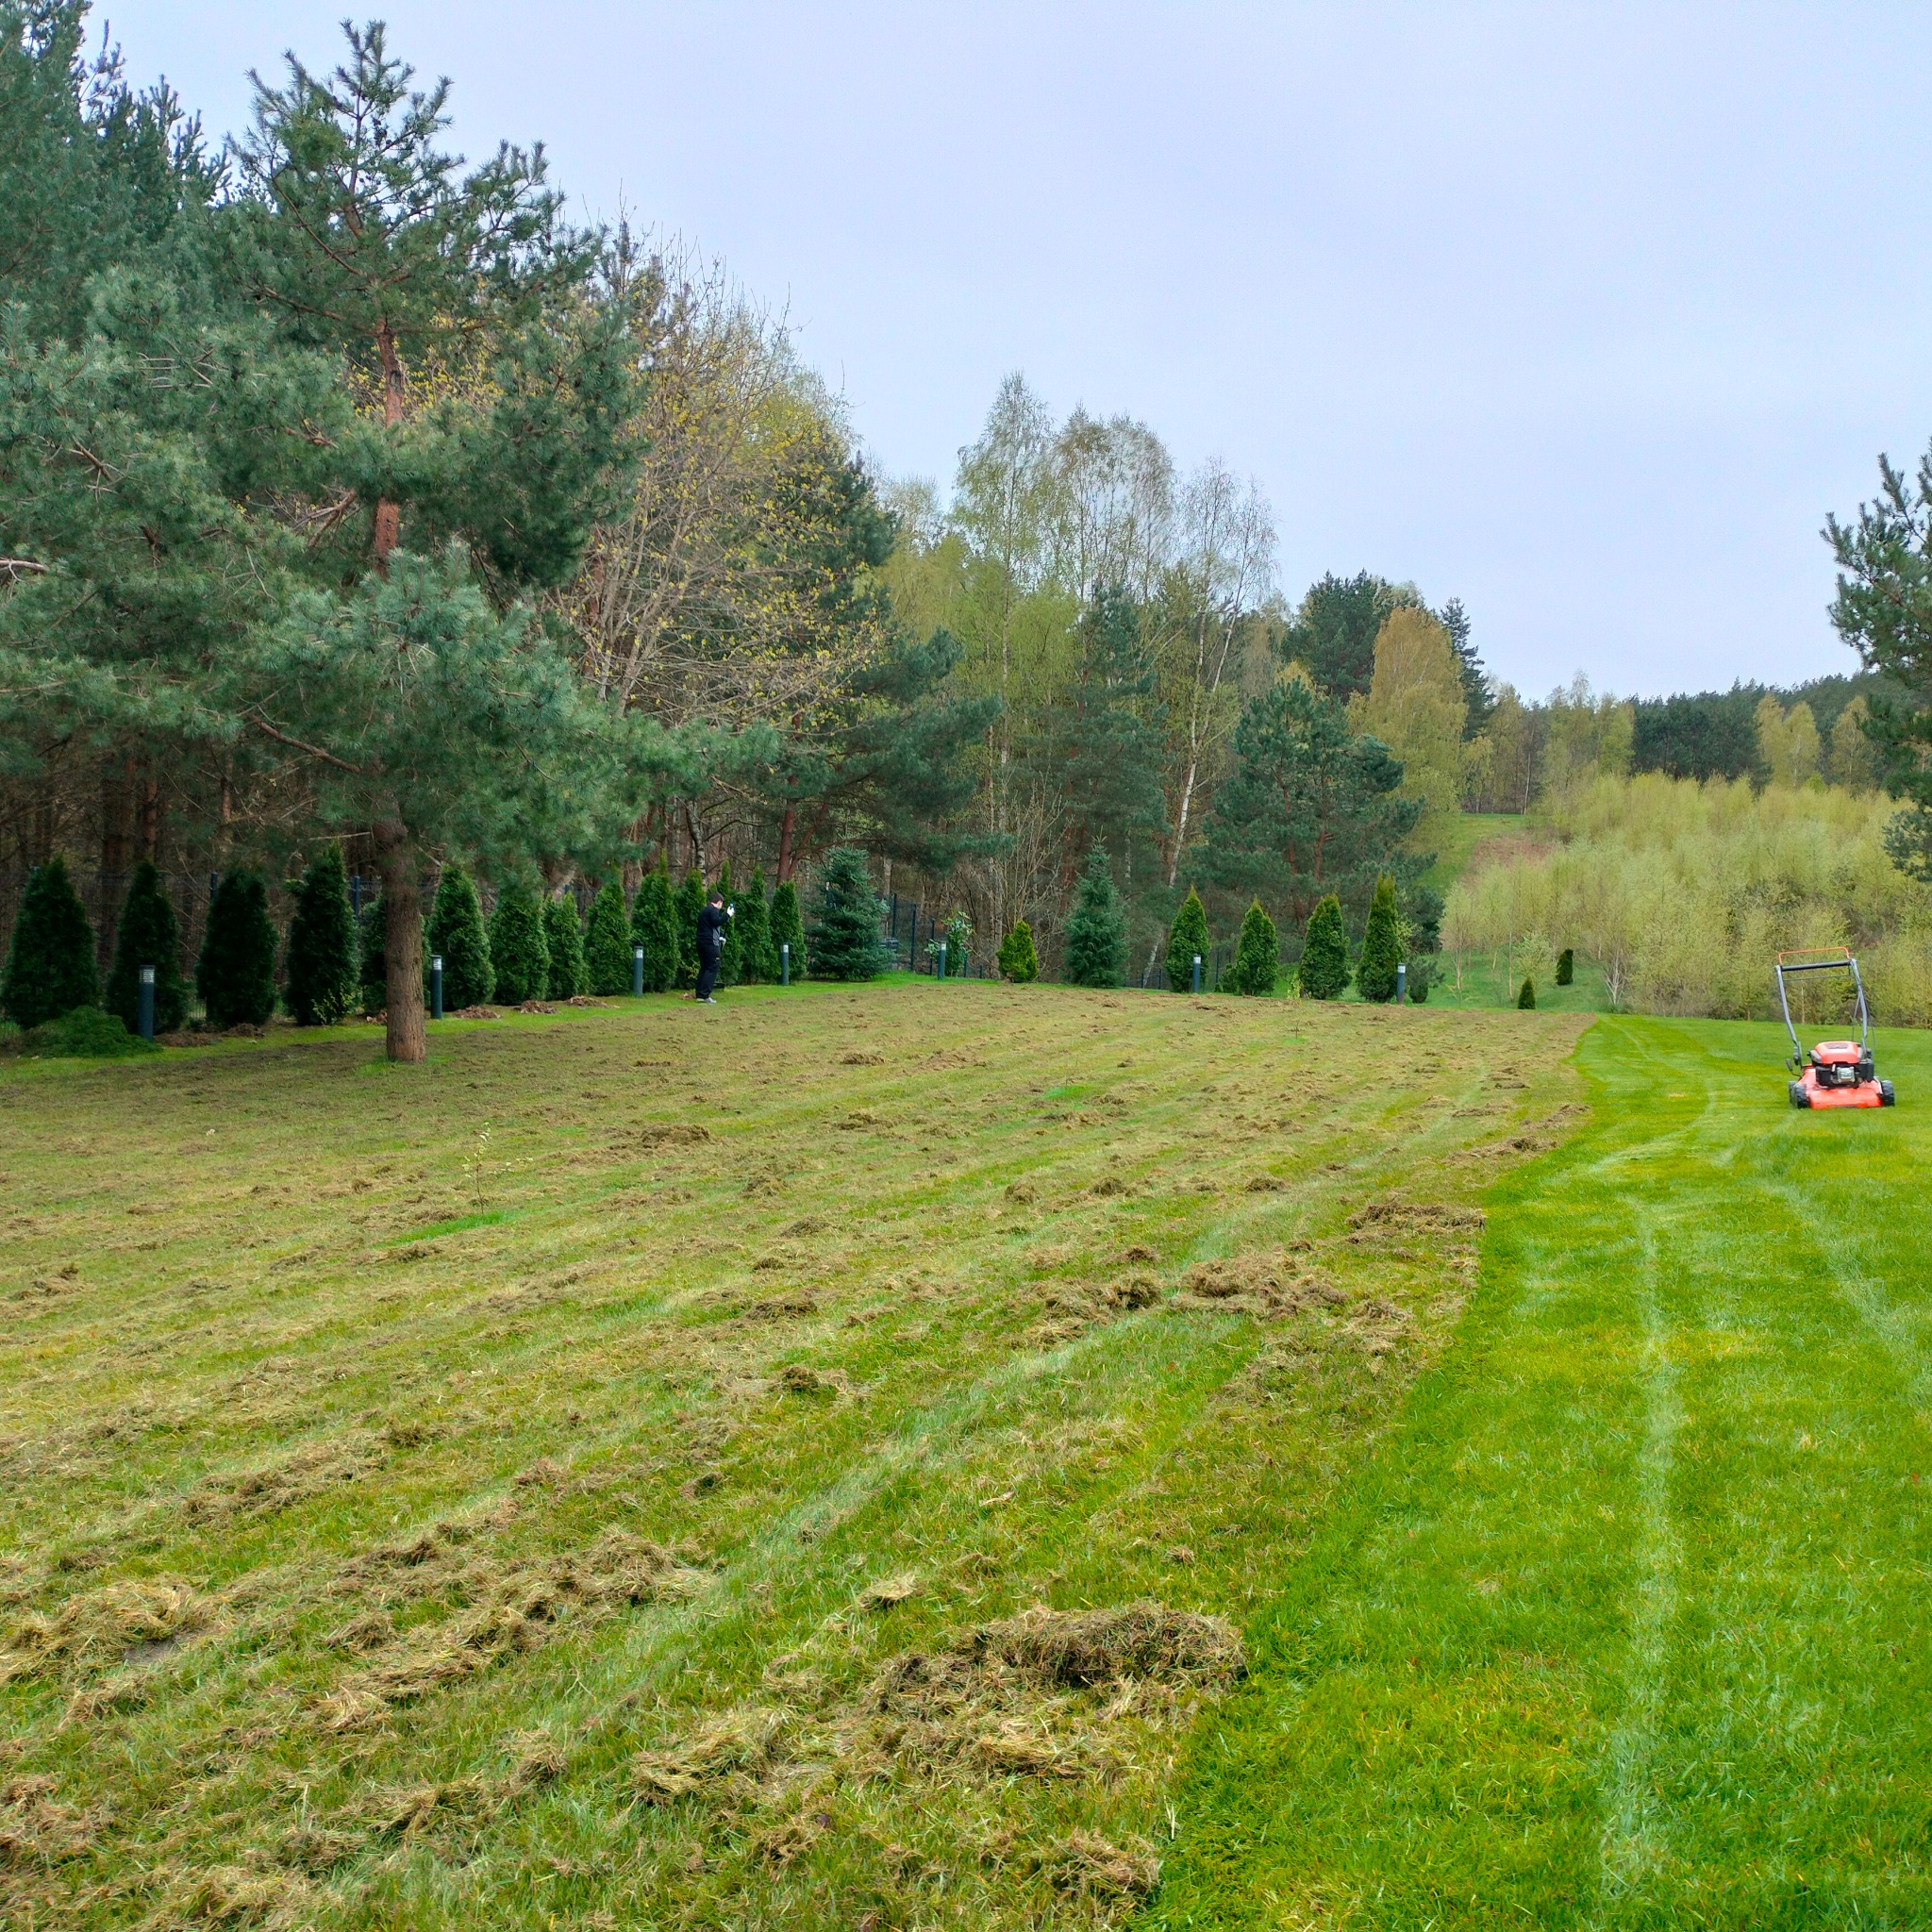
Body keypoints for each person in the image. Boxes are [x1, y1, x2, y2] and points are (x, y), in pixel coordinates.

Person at [693, 890, 732, 1003]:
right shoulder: (714, 910)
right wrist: (727, 915)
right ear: (719, 902)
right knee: (713, 967)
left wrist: (719, 937)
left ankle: (700, 994)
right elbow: (716, 921)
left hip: (702, 943)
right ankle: (705, 995)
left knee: (705, 968)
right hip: (710, 945)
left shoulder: (704, 911)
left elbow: (708, 927)